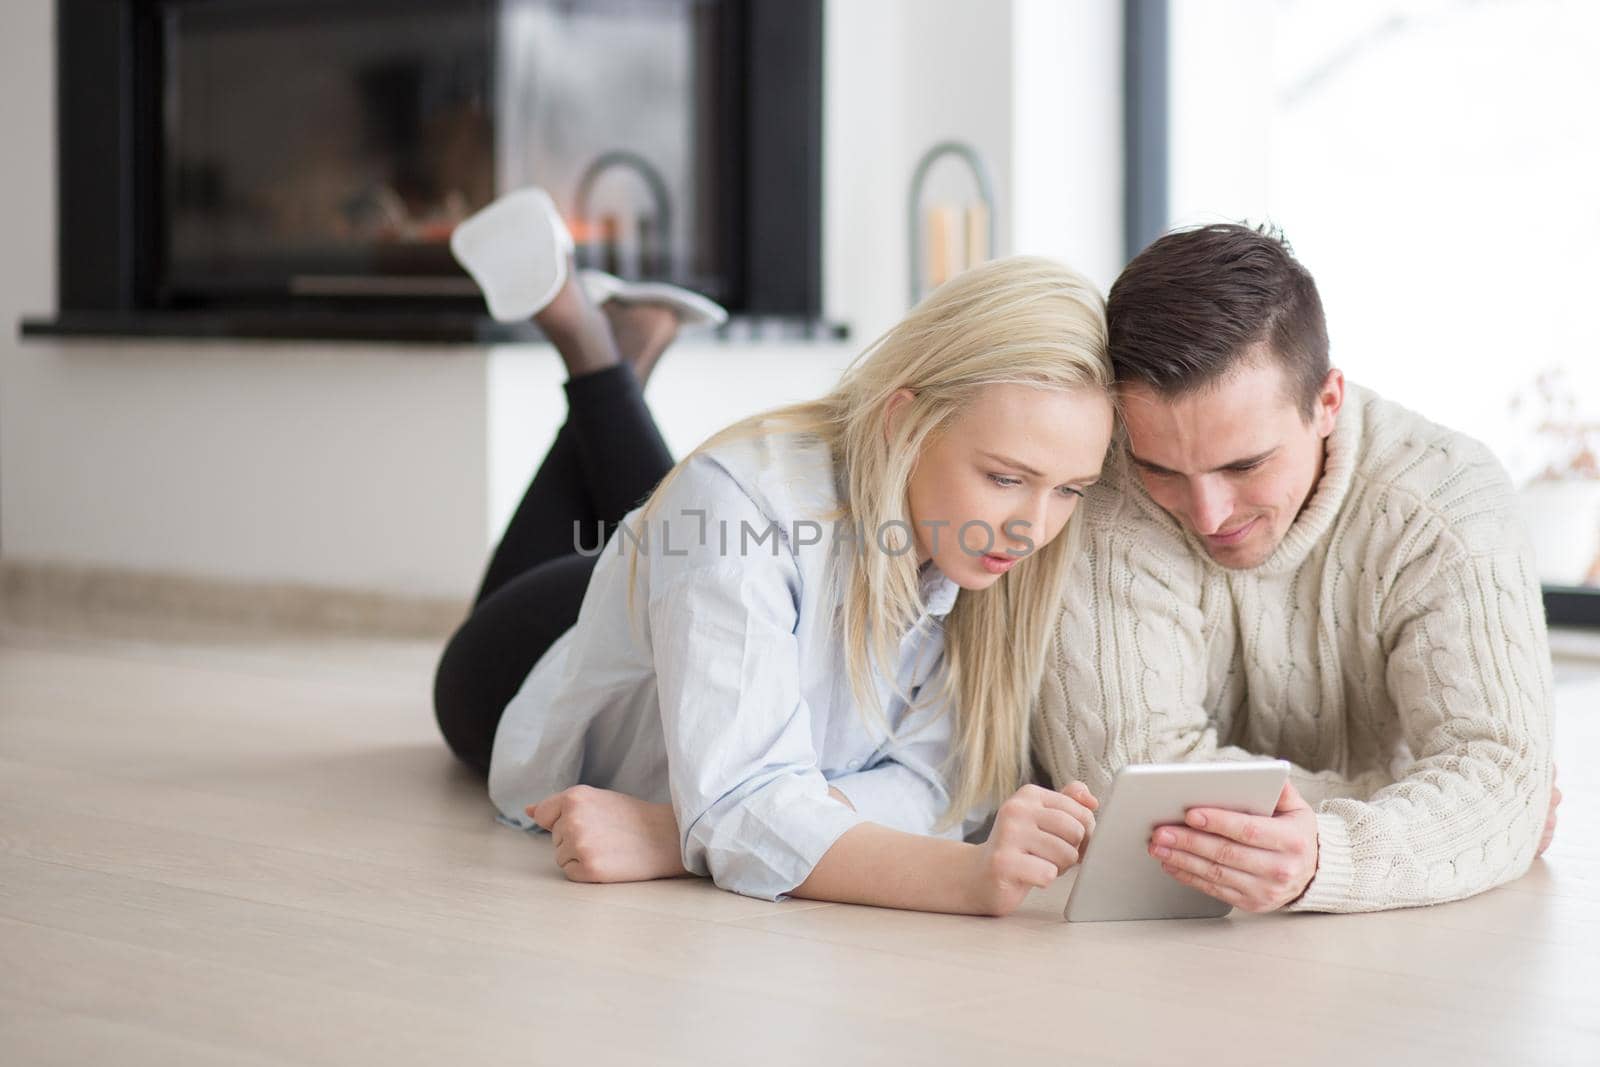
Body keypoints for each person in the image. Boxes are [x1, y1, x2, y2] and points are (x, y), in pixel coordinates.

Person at [433, 188, 1116, 916]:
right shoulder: (738, 504)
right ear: (903, 421)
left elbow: (936, 787)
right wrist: (961, 877)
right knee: (697, 508)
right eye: (1006, 478)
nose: (1032, 529)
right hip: (524, 649)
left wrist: (678, 832)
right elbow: (741, 806)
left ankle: (617, 353)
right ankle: (588, 338)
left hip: (695, 572)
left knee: (670, 511)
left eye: (1071, 489)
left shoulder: (991, 554)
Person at [1033, 222, 1560, 915]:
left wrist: (1324, 856)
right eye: (1162, 468)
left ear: (1327, 402)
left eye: (1244, 464)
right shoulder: (1104, 485)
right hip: (1139, 932)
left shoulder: (1447, 503)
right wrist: (1420, 800)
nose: (1208, 512)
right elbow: (1128, 784)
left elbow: (1503, 777)